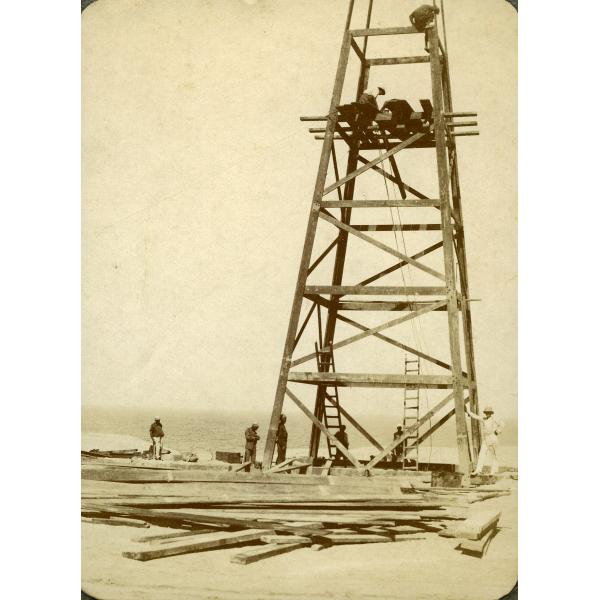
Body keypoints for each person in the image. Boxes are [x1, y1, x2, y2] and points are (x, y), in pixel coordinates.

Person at [466, 405, 504, 476]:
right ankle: (478, 471)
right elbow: (475, 416)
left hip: (493, 438)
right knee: (482, 454)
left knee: (494, 456)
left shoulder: (494, 419)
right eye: (486, 412)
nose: (487, 414)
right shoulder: (484, 419)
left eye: (489, 412)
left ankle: (493, 472)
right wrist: (467, 410)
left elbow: (502, 424)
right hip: (485, 439)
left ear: (491, 413)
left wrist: (497, 431)